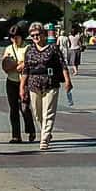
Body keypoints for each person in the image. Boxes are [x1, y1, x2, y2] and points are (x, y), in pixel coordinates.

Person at [19, 21, 72, 151]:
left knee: (48, 112)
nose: (36, 37)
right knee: (37, 114)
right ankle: (46, 132)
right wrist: (22, 86)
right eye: (33, 35)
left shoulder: (53, 48)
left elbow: (62, 64)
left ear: (44, 34)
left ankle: (44, 138)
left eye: (38, 34)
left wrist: (67, 80)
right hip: (33, 84)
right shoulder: (30, 50)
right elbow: (26, 69)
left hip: (50, 83)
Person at [1, 23, 37, 144]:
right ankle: (16, 135)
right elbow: (5, 66)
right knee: (13, 109)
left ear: (21, 36)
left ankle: (31, 130)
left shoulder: (28, 48)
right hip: (11, 82)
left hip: (24, 82)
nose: (14, 39)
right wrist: (17, 64)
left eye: (16, 37)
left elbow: (26, 65)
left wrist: (15, 64)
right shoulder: (9, 49)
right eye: (12, 37)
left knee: (25, 107)